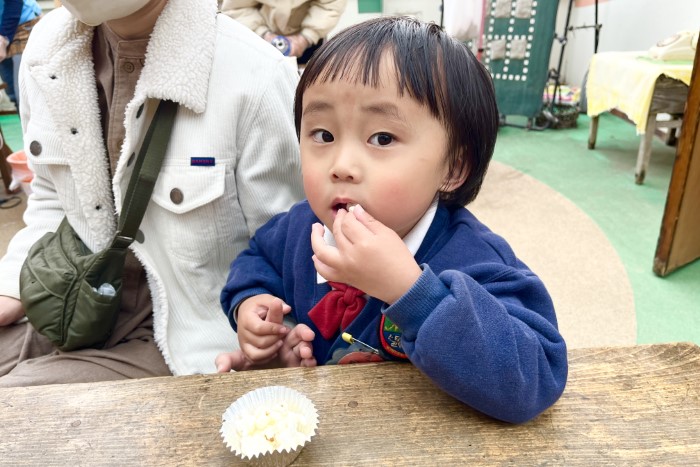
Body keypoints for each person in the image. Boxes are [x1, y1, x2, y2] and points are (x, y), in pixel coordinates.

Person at [216, 16, 568, 424]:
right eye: (323, 135)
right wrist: (255, 307)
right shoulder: (301, 228)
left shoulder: (475, 259)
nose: (341, 165)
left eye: (382, 138)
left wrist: (412, 292)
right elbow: (257, 259)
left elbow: (537, 375)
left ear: (453, 167)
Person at [0, 0, 304, 386]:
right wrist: (11, 286)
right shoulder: (47, 49)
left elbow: (287, 246)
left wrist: (266, 332)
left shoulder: (254, 74)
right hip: (71, 300)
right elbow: (51, 196)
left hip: (189, 333)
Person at [220, 0, 347, 64]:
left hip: (309, 41)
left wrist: (305, 37)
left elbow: (329, 5)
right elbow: (237, 8)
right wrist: (263, 34)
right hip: (259, 39)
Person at [0, 0, 42, 109]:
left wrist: (3, 40)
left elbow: (14, 3)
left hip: (23, 24)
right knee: (12, 93)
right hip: (2, 26)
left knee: (24, 91)